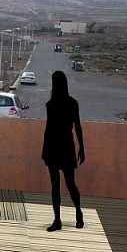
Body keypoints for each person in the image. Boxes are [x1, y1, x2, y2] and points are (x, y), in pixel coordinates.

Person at [41, 70, 85, 232]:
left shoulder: (51, 104)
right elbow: (77, 126)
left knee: (56, 185)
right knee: (70, 183)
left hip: (53, 146)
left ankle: (58, 220)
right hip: (66, 146)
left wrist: (45, 149)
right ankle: (78, 213)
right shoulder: (72, 103)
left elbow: (49, 129)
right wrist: (82, 147)